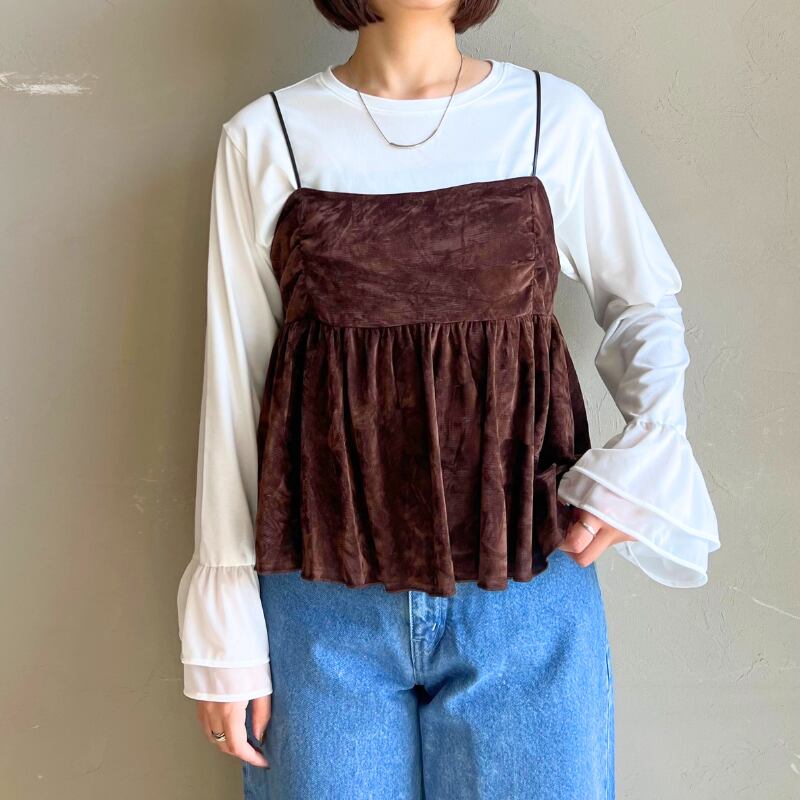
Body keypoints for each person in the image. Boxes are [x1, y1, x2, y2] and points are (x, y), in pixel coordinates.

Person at [176, 1, 721, 797]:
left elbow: (644, 303)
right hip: (324, 605)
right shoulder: (268, 137)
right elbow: (236, 387)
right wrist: (225, 614)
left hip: (526, 584)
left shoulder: (550, 118)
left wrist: (652, 446)